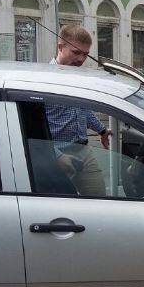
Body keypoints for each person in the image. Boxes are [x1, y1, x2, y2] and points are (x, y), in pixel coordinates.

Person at [46, 24, 110, 197]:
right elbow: (31, 126)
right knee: (60, 210)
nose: (81, 59)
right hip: (55, 155)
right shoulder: (43, 81)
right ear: (60, 47)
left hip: (83, 152)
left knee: (100, 202)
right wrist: (57, 156)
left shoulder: (76, 77)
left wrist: (102, 130)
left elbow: (82, 110)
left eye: (86, 54)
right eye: (76, 52)